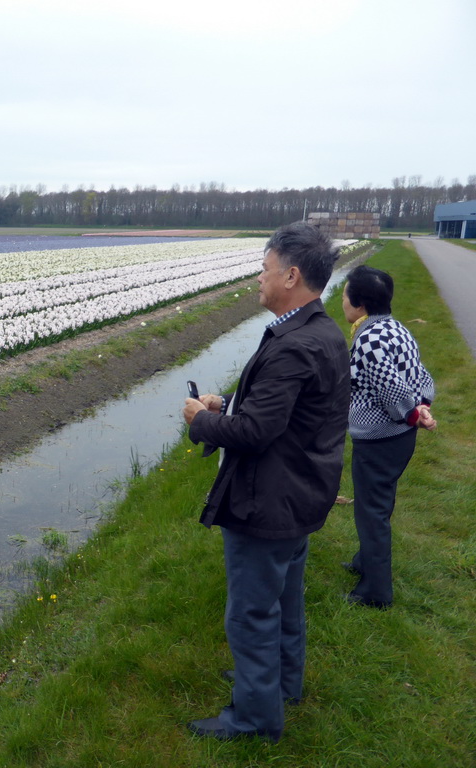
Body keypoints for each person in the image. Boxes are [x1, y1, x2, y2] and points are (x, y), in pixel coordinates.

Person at [181, 222, 350, 742]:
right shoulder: (318, 332)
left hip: (268, 501)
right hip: (300, 494)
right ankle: (280, 684)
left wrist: (198, 420)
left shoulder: (293, 345)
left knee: (252, 614)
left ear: (291, 275)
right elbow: (285, 416)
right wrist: (225, 404)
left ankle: (254, 718)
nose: (258, 277)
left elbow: (256, 432)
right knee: (284, 602)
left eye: (264, 268)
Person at [341, 265, 435, 608]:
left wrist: (411, 412)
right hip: (399, 438)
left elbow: (390, 388)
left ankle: (375, 593)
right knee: (379, 505)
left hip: (380, 440)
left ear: (360, 303)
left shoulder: (369, 339)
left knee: (371, 513)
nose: (342, 300)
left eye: (344, 294)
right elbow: (421, 374)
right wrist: (422, 406)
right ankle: (364, 562)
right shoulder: (398, 329)